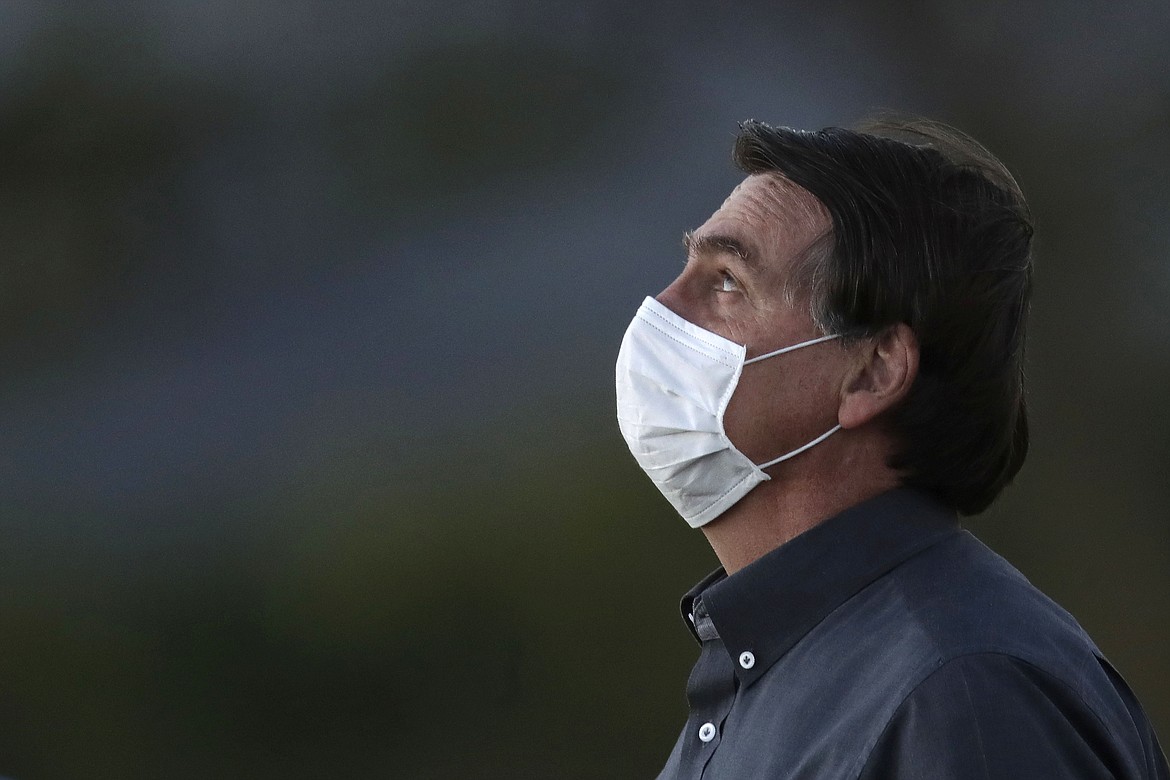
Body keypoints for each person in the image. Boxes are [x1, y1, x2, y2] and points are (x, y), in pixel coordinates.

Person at [614, 117, 1169, 778]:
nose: (662, 309)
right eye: (687, 270)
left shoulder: (959, 691)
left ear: (873, 371)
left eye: (728, 281)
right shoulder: (769, 671)